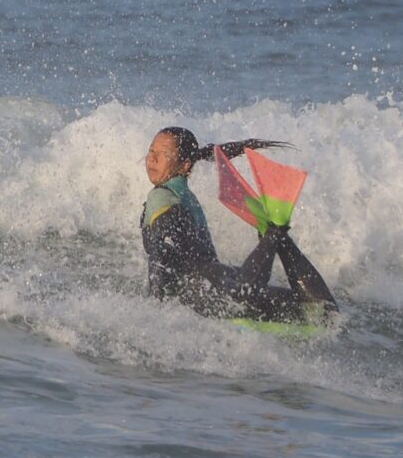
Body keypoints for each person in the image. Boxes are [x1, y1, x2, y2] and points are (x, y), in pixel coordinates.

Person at [140, 127, 339, 324]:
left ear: (185, 166)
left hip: (204, 291)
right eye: (151, 150)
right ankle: (278, 235)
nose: (152, 159)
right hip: (222, 277)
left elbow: (160, 254)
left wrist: (156, 310)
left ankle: (274, 234)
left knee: (240, 300)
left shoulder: (160, 196)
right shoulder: (185, 197)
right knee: (323, 311)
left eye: (164, 153)